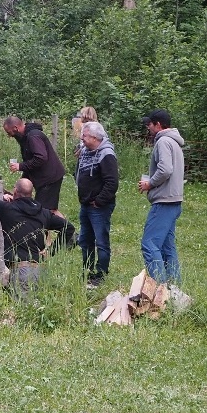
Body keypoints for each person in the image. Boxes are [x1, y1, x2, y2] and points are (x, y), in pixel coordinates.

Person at [0, 170, 75, 297]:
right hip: (41, 270)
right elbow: (69, 228)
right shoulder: (44, 213)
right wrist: (51, 251)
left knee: (23, 310)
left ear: (15, 191)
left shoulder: (7, 209)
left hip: (21, 269)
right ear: (31, 193)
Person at [139, 109, 185, 284]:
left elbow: (165, 169)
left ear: (158, 124)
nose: (148, 128)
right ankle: (175, 287)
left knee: (149, 244)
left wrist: (149, 183)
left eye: (149, 124)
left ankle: (159, 288)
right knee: (167, 246)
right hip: (174, 200)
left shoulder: (163, 141)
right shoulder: (174, 142)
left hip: (164, 201)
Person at [76, 120, 119, 288]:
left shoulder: (106, 154)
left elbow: (112, 183)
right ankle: (87, 271)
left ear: (95, 137)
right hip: (85, 203)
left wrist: (99, 201)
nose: (82, 138)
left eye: (85, 136)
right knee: (86, 240)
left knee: (101, 241)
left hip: (99, 206)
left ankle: (101, 273)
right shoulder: (86, 151)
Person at [3, 115, 66, 211]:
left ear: (15, 128)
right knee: (49, 210)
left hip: (49, 178)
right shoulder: (25, 137)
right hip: (46, 177)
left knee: (44, 211)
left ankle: (64, 226)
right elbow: (31, 160)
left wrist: (20, 166)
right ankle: (65, 226)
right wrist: (21, 183)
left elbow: (40, 158)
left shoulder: (33, 136)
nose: (9, 136)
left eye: (9, 132)